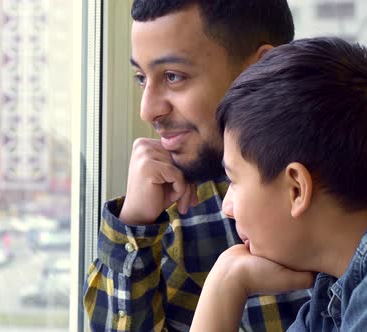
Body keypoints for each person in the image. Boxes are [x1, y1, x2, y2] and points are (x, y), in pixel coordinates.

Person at [83, 1, 311, 331]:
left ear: (261, 68)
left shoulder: (348, 186)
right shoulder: (178, 208)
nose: (148, 111)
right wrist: (134, 223)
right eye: (141, 78)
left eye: (173, 76)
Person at [191, 36, 367, 332]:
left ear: (296, 189)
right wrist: (227, 280)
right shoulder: (333, 291)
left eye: (233, 180)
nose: (227, 207)